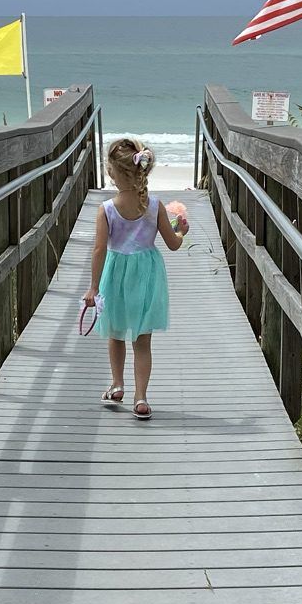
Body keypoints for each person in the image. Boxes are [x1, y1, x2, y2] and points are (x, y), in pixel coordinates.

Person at [85, 138, 186, 421]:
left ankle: (117, 384)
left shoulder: (105, 209)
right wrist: (182, 231)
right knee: (142, 340)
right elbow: (173, 244)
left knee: (115, 334)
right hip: (146, 276)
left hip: (116, 274)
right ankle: (140, 397)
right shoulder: (155, 206)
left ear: (113, 174)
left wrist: (93, 287)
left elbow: (99, 249)